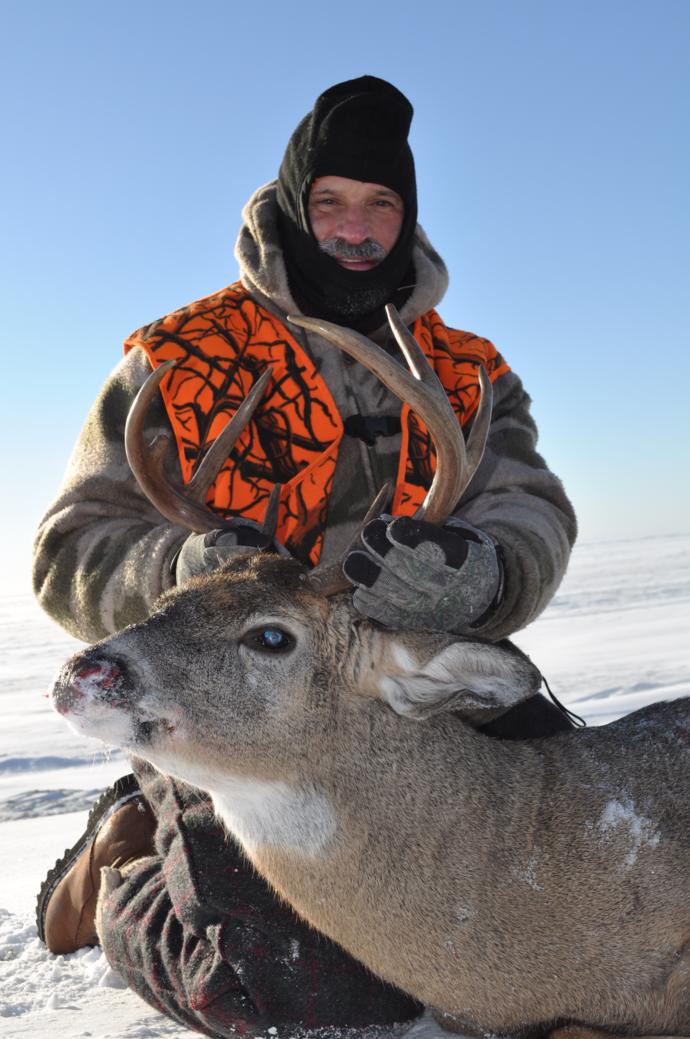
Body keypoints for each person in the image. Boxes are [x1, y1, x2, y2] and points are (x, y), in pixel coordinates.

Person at [33, 77, 577, 1038]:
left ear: (407, 218)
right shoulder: (181, 358)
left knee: (568, 881)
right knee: (292, 985)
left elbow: (527, 508)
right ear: (293, 206)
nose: (356, 228)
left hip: (399, 681)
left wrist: (484, 572)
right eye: (330, 202)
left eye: (381, 205)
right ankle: (125, 853)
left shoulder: (468, 374)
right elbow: (71, 546)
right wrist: (177, 567)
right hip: (241, 706)